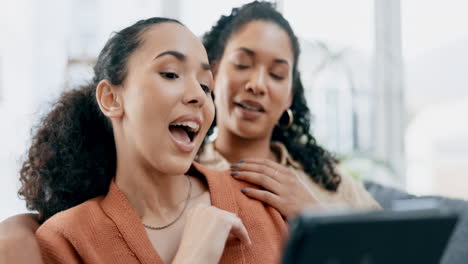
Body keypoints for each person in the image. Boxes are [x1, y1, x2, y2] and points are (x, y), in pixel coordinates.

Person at [2, 17, 287, 264]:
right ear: (111, 99)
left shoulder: (261, 202)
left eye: (205, 85)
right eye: (170, 74)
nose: (199, 96)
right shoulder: (66, 240)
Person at [197, 1, 380, 218]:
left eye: (277, 74)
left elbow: (391, 247)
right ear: (214, 73)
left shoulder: (325, 179)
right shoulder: (184, 171)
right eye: (242, 63)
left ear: (289, 96)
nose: (258, 85)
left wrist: (314, 214)